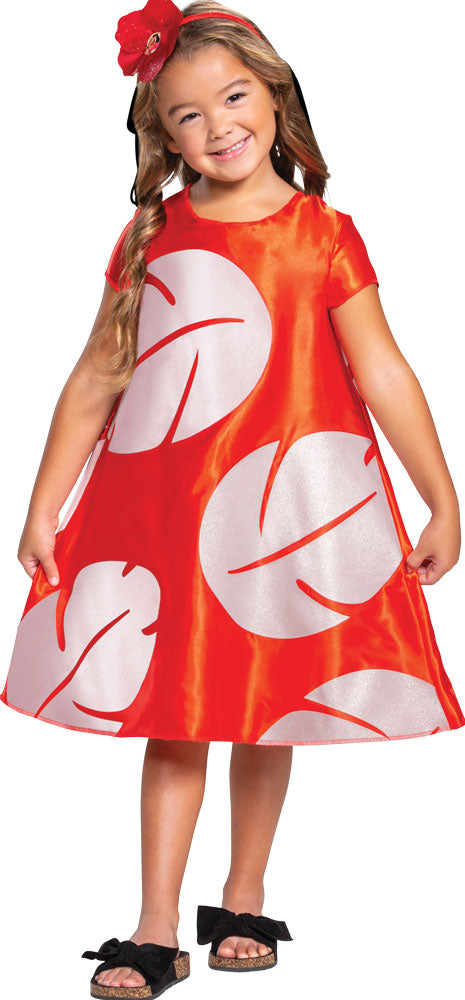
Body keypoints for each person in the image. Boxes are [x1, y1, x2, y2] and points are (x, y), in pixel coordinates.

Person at [1, 0, 464, 995]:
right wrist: (43, 502)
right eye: (187, 115)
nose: (217, 127)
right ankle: (154, 926)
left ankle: (242, 896)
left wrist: (440, 496)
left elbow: (382, 369)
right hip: (171, 515)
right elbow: (98, 373)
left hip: (282, 514)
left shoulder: (322, 234)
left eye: (235, 98)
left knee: (266, 709)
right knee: (174, 718)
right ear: (162, 137)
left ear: (276, 96)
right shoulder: (151, 236)